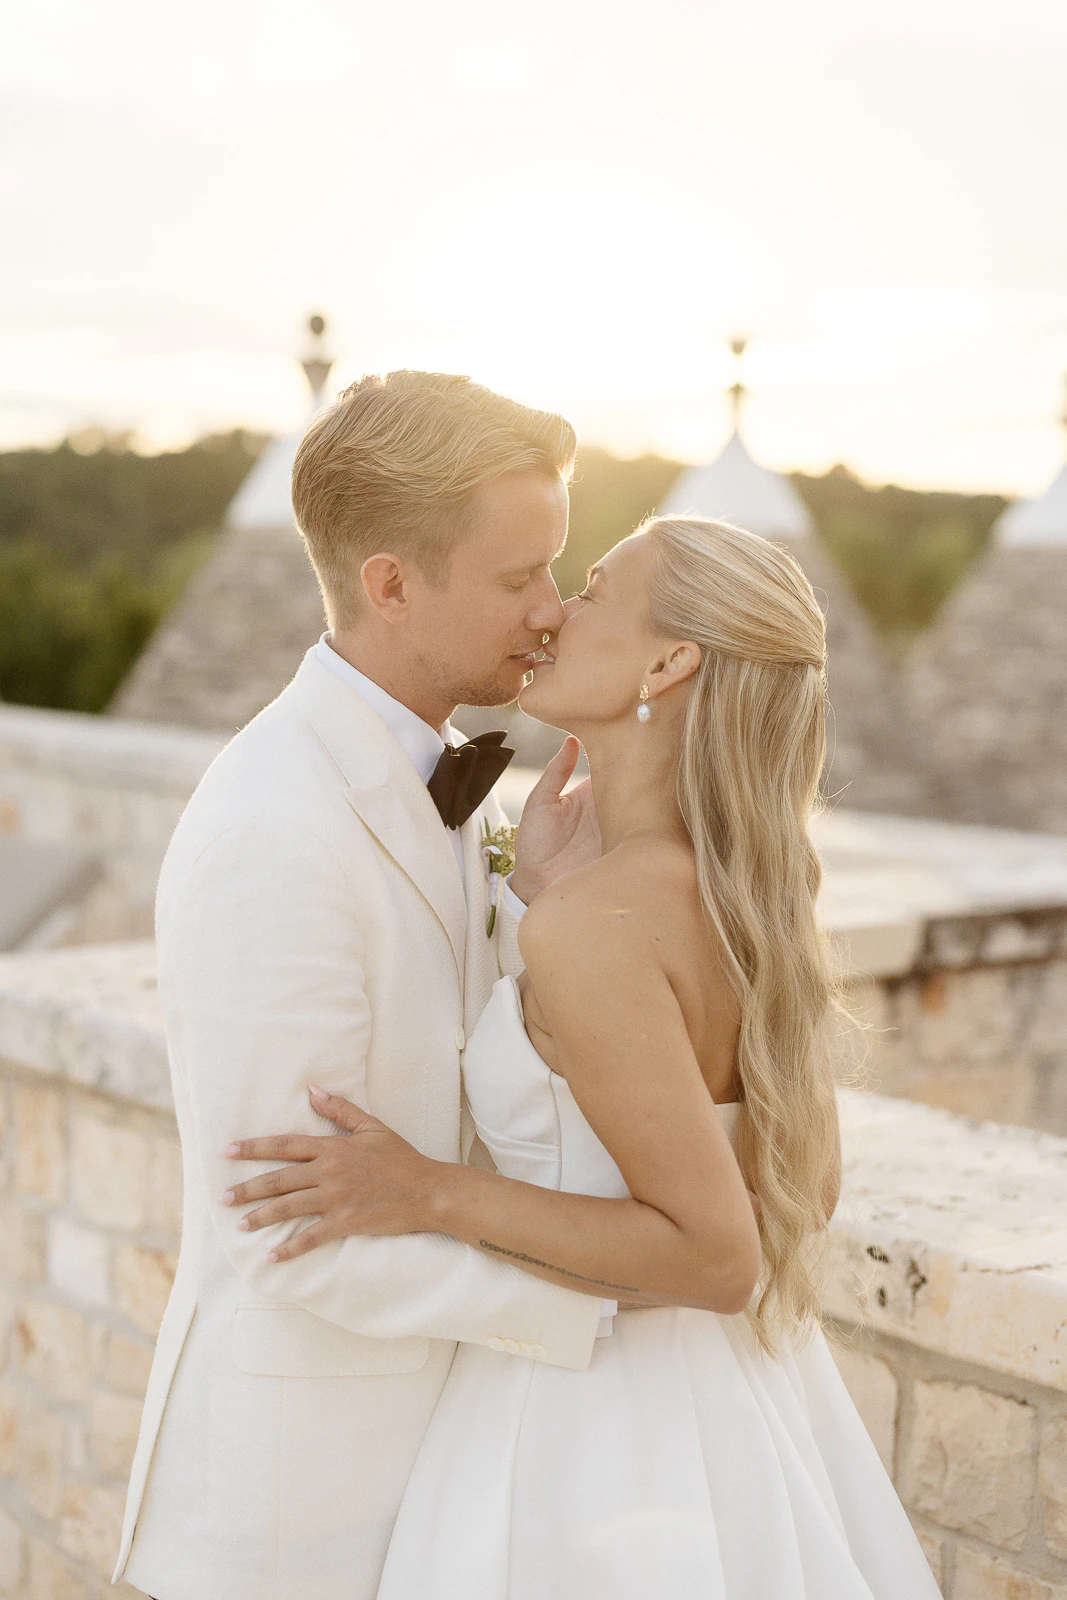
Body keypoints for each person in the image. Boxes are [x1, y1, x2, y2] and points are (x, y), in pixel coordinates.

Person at [224, 515, 942, 1597]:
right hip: (742, 1412)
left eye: (596, 589)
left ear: (667, 663)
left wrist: (424, 1191)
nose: (557, 611)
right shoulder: (738, 893)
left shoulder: (604, 921)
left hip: (592, 1443)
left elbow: (716, 1256)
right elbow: (800, 1187)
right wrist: (534, 901)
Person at [114, 372, 624, 1600]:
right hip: (289, 1522)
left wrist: (531, 904)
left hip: (439, 1491)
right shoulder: (271, 827)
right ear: (391, 584)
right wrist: (609, 1305)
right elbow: (289, 1232)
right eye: (519, 576)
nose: (551, 609)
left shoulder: (450, 784)